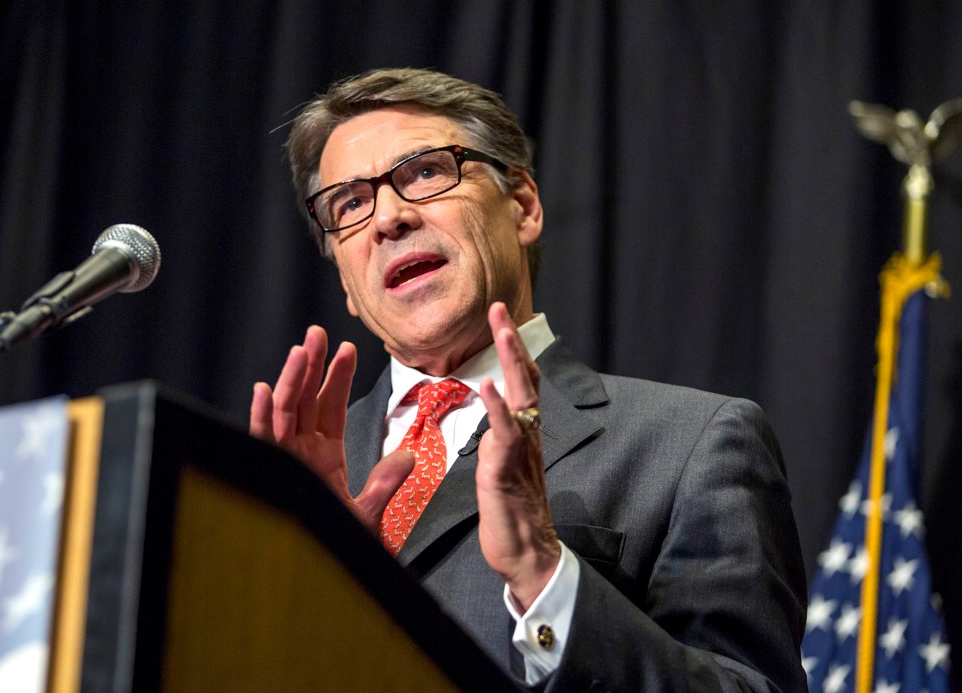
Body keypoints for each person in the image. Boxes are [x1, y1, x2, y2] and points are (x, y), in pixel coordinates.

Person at [249, 67, 807, 691]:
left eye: (427, 172)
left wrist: (545, 576)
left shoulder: (692, 444)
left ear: (523, 207)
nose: (388, 218)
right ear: (347, 284)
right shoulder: (290, 477)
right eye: (350, 203)